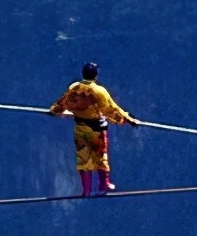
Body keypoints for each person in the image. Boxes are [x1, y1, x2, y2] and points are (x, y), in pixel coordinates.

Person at [49, 62, 139, 197]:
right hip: (96, 130)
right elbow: (111, 110)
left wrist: (54, 110)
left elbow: (62, 104)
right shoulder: (99, 92)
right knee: (100, 157)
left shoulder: (75, 88)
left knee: (83, 159)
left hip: (80, 129)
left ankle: (86, 190)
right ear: (96, 76)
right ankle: (103, 186)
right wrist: (128, 120)